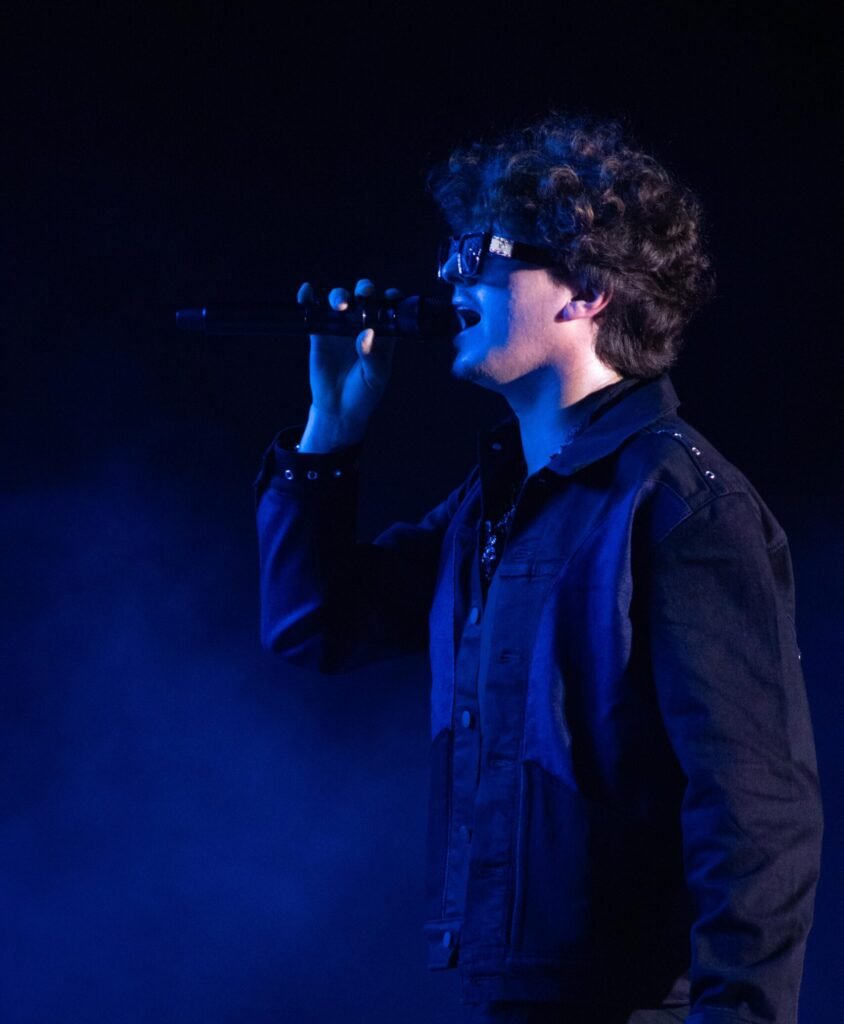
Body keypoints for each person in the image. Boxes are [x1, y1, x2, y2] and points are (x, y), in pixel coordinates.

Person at [254, 115, 823, 1023]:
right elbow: (315, 625)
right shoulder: (491, 508)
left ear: (587, 291)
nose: (448, 277)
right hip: (510, 995)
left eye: (477, 254)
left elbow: (757, 811)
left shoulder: (682, 505)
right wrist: (332, 429)